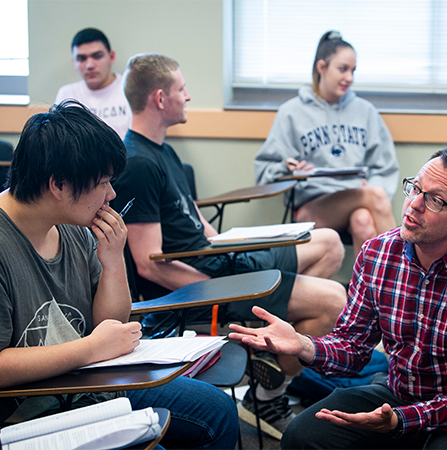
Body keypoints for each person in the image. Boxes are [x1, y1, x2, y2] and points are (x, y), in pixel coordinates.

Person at [111, 53, 347, 440]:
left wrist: (248, 241)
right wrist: (216, 286)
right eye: (181, 89)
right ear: (159, 98)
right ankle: (268, 393)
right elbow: (148, 265)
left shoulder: (164, 151)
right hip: (200, 284)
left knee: (329, 243)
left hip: (217, 260)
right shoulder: (137, 163)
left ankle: (267, 350)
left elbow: (201, 228)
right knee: (335, 300)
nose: (187, 96)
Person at [0, 100, 238, 449]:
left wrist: (114, 259)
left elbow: (109, 324)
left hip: (89, 382)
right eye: (102, 183)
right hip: (29, 415)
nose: (111, 195)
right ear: (59, 185)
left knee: (219, 410)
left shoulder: (73, 223)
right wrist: (89, 350)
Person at [231, 149, 447, 449]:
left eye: (435, 200)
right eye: (415, 188)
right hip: (401, 394)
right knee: (302, 435)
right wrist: (303, 345)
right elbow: (353, 347)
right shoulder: (379, 253)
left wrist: (402, 421)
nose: (413, 204)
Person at [254, 30, 399, 256]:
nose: (349, 77)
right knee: (376, 195)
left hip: (357, 201)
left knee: (363, 221)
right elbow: (263, 172)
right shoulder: (291, 112)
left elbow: (385, 167)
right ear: (321, 67)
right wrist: (287, 167)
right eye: (343, 69)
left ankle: (367, 290)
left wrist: (369, 185)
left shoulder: (365, 112)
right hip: (312, 208)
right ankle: (406, 277)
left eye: (353, 70)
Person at [55, 28, 131, 138]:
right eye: (81, 59)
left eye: (97, 56)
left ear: (111, 57)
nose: (89, 65)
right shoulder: (67, 95)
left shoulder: (130, 90)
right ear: (74, 63)